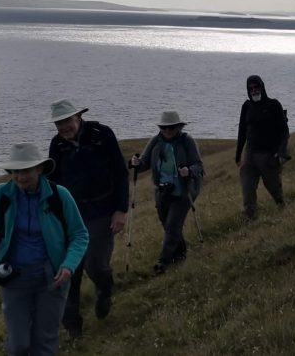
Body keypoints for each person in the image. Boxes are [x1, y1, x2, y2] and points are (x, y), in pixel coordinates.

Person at [0, 143, 89, 356]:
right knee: (18, 345)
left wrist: (69, 265)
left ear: (39, 169)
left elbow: (80, 234)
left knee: (44, 343)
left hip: (51, 278)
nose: (19, 177)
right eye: (15, 171)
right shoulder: (2, 194)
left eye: (25, 170)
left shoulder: (59, 195)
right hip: (14, 279)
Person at [45, 98, 127, 340]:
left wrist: (120, 210)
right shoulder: (57, 145)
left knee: (95, 264)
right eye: (58, 123)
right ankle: (72, 326)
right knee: (69, 269)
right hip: (70, 215)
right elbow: (54, 181)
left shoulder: (103, 134)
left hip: (102, 211)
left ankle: (105, 287)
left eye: (66, 121)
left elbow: (120, 173)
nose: (63, 127)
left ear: (78, 117)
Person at [131, 111, 204, 275]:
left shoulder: (187, 141)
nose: (168, 131)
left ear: (178, 127)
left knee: (172, 225)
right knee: (168, 224)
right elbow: (144, 163)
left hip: (184, 191)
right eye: (164, 128)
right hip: (162, 191)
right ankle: (181, 253)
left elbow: (198, 165)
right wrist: (136, 163)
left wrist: (189, 170)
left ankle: (163, 262)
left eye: (171, 128)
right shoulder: (156, 141)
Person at [236, 75, 290, 221]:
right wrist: (238, 155)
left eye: (256, 87)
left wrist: (282, 151)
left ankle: (282, 208)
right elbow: (242, 131)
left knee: (274, 188)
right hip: (250, 155)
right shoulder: (246, 107)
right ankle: (250, 218)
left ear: (262, 87)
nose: (254, 91)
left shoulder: (274, 105)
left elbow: (284, 131)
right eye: (250, 88)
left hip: (268, 156)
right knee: (247, 189)